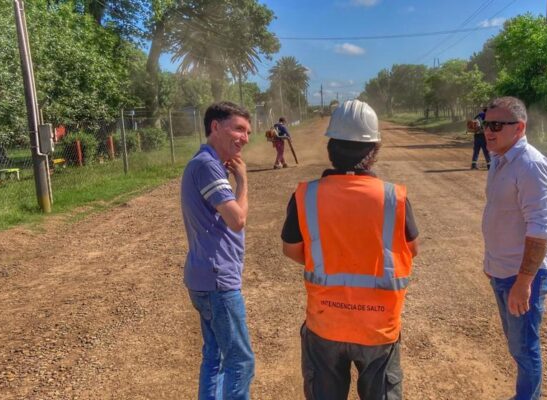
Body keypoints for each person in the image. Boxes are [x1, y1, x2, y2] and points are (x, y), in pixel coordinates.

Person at [280, 99, 420, 400]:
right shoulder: (393, 198)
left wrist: (327, 260)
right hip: (378, 326)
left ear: (331, 148)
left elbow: (291, 250)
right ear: (374, 151)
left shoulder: (306, 195)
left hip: (325, 323)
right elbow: (411, 249)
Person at [481, 97, 547, 400]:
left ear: (519, 128)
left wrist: (524, 282)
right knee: (517, 345)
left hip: (523, 275)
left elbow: (541, 230)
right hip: (503, 270)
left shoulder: (529, 166)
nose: (488, 131)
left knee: (524, 347)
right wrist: (491, 262)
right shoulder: (500, 160)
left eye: (496, 125)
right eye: (486, 124)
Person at [180, 101, 255, 400]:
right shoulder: (207, 166)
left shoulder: (205, 164)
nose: (245, 138)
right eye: (239, 129)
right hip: (218, 281)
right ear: (215, 127)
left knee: (216, 356)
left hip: (205, 277)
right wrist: (243, 181)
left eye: (248, 132)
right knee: (240, 360)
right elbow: (237, 219)